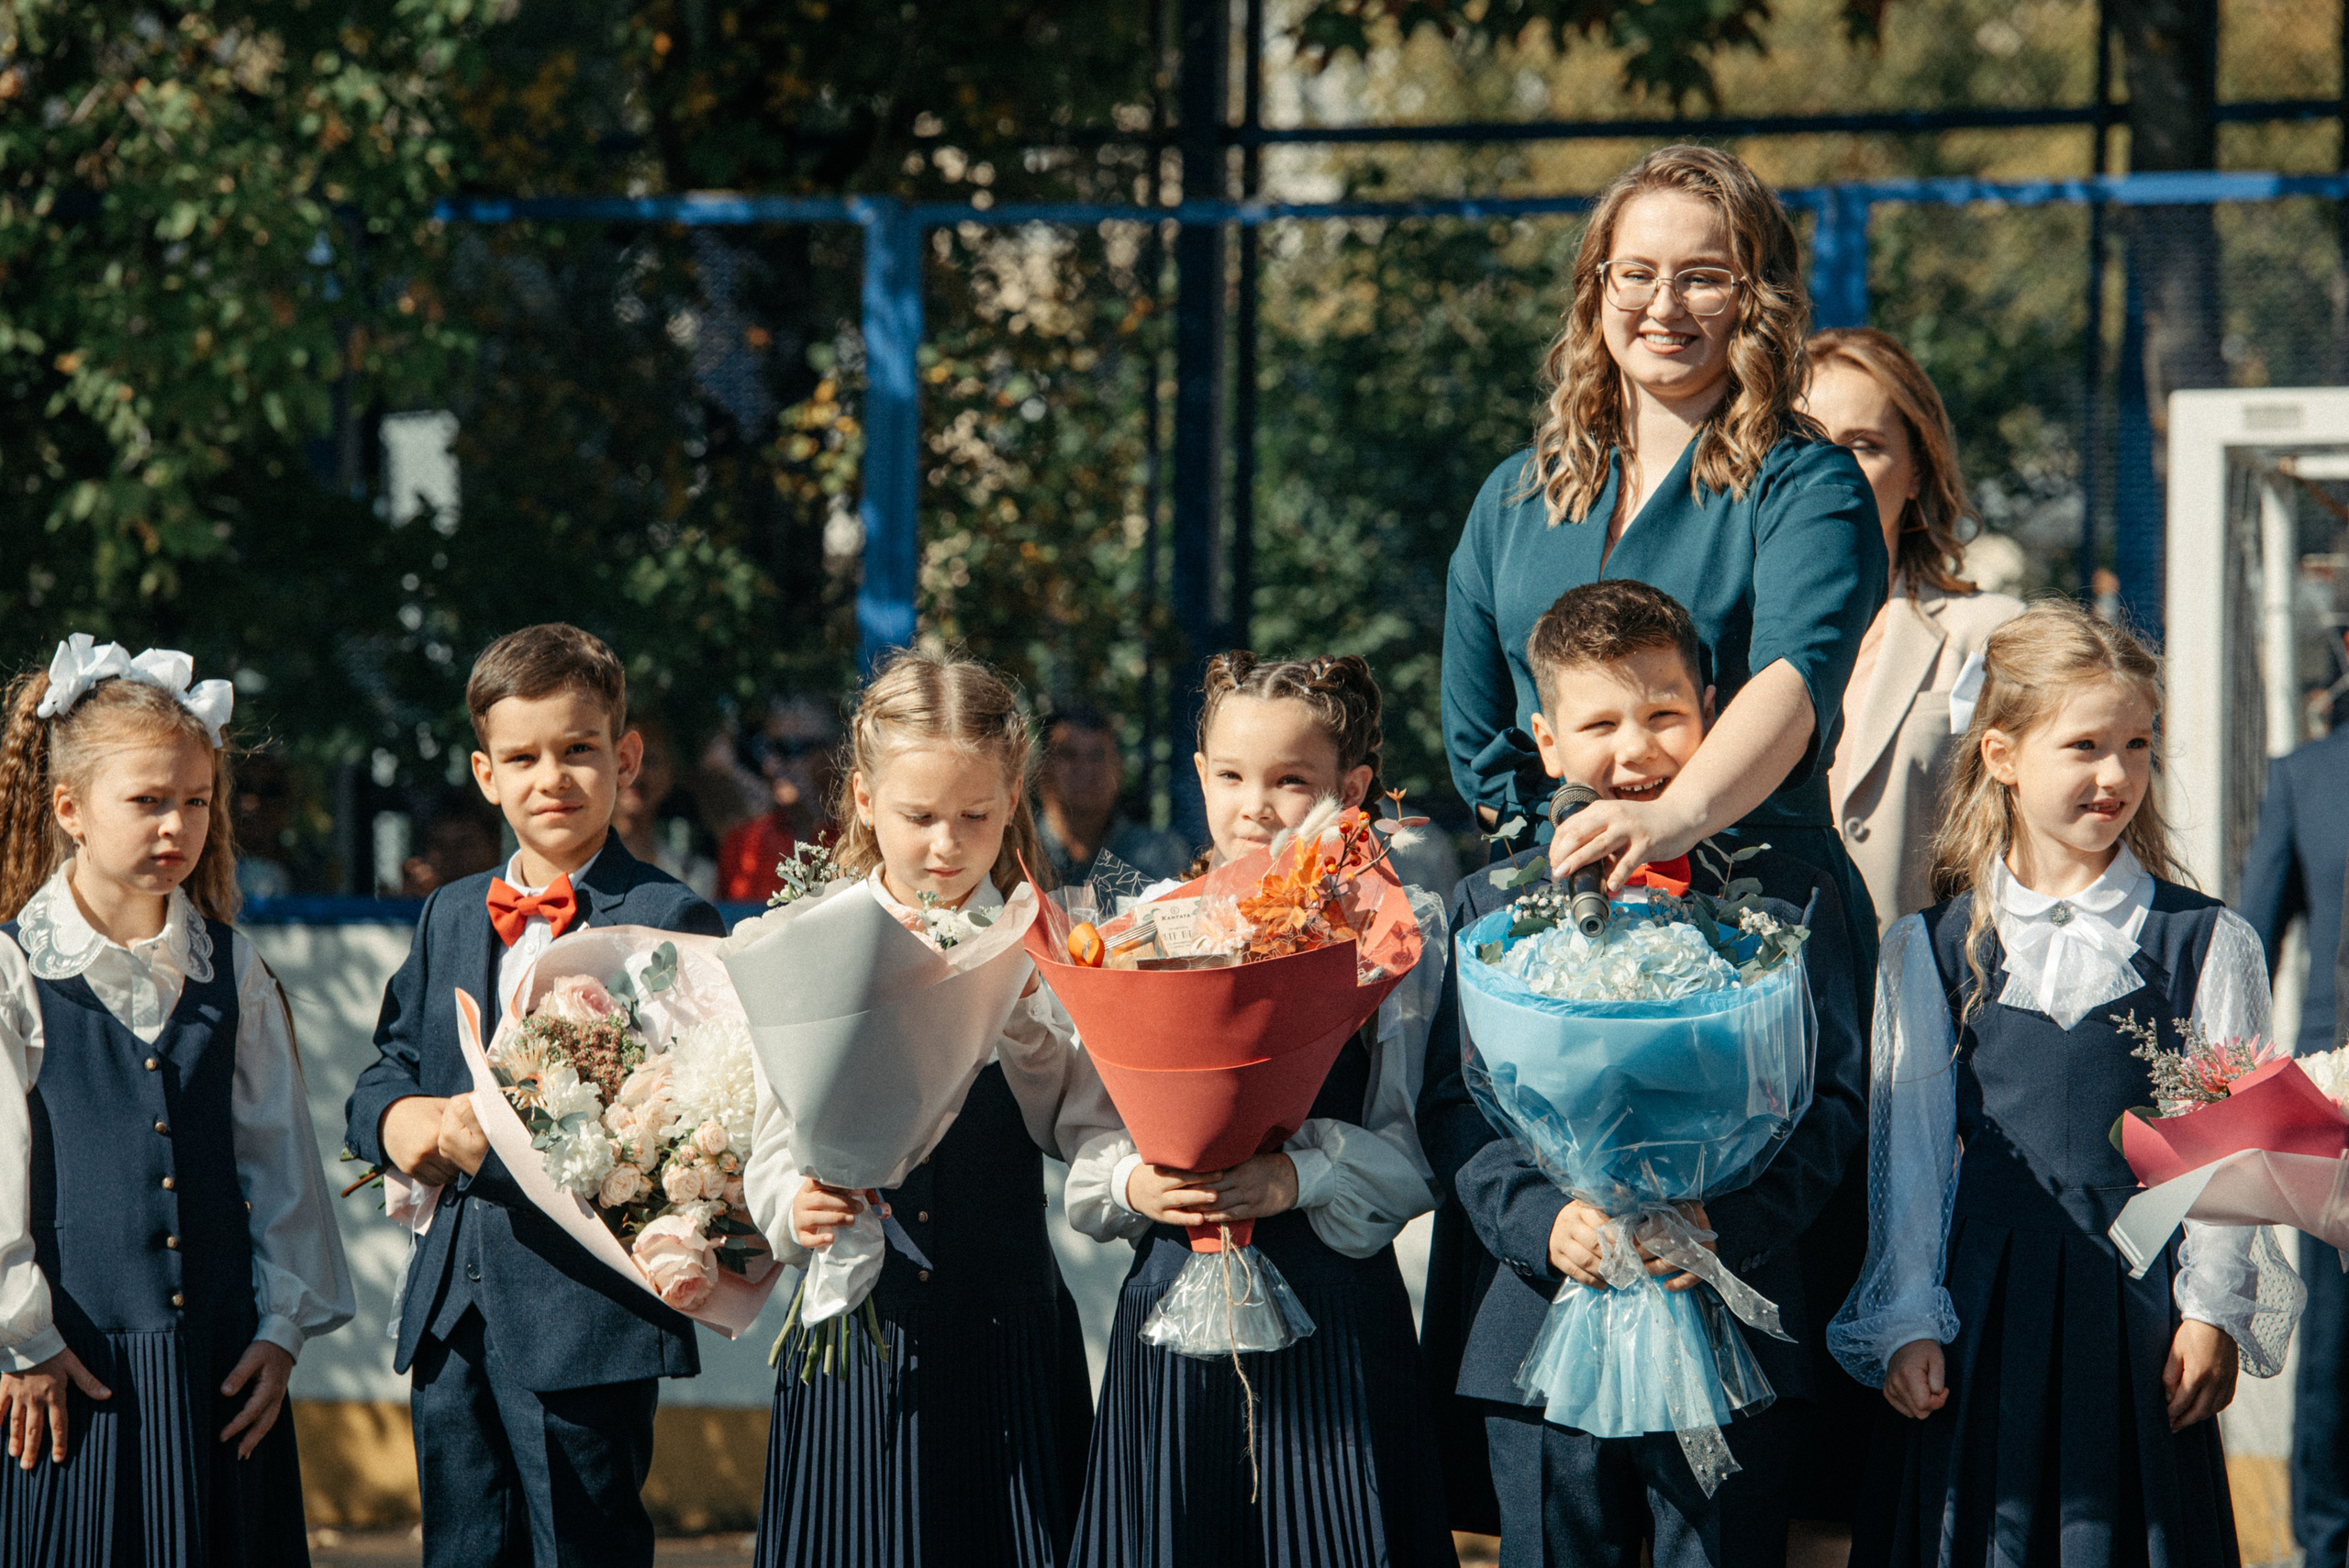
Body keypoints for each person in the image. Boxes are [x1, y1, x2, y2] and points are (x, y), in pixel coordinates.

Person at [1418, 583, 1865, 1568]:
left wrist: (1724, 1224)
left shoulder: (1791, 901)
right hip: (1539, 1333)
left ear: (1712, 711)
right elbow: (1454, 1103)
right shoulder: (1487, 904)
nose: (1636, 747)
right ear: (1545, 739)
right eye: (1599, 721)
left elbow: (1832, 1103)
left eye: (1665, 713)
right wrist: (1542, 1218)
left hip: (1732, 1325)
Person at [1828, 600, 2279, 1568]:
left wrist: (2209, 1311)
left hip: (2135, 1310)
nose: (2115, 774)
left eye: (2137, 744)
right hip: (1979, 1308)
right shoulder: (1928, 944)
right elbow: (1908, 1150)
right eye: (2083, 745)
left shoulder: (2208, 942)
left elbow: (2228, 1151)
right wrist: (1908, 1314)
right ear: (2000, 753)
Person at [1441, 143, 1887, 1000]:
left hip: (1761, 933)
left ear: (1755, 300)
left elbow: (1796, 684)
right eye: (1636, 274)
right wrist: (1574, 855)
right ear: (1597, 288)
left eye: (1704, 277)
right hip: (1559, 937)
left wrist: (1668, 821)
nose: (1664, 306)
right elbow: (1484, 741)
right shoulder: (1512, 497)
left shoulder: (1807, 487)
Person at [342, 623, 726, 1568]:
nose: (550, 776)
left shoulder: (670, 920)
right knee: (464, 1547)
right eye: (522, 756)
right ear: (484, 773)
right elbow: (388, 1066)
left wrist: (520, 1140)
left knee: (581, 1548)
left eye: (578, 749)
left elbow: (686, 1128)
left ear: (625, 756)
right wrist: (407, 1121)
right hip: (450, 1318)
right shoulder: (447, 909)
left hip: (587, 1317)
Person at [1063, 653, 1457, 1568]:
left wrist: (1297, 1174)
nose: (1256, 804)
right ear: (1199, 774)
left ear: (1352, 789)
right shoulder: (1137, 922)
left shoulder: (1391, 931)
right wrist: (1135, 1178)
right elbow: (1089, 1148)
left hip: (1329, 1309)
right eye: (1232, 775)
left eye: (1293, 781)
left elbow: (1416, 1151)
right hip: (1168, 1303)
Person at [743, 651, 1113, 1568]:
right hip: (858, 1337)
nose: (946, 844)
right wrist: (793, 1205)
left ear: (1011, 797)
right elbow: (769, 1141)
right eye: (918, 816)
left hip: (1003, 1327)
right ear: (864, 798)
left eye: (974, 816)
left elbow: (1073, 1120)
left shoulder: (1044, 937)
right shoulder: (808, 940)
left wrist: (1028, 1015)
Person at [0, 636, 354, 1562]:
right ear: (71, 808)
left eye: (195, 800)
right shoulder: (14, 971)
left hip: (218, 1373)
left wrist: (280, 1330)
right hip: (72, 1369)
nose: (176, 825)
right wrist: (21, 1337)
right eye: (148, 800)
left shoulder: (231, 966)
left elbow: (281, 1162)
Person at [1804, 328, 2025, 938]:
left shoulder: (1990, 634)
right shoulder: (1714, 639)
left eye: (1864, 445)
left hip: (1935, 1008)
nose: (1832, 469)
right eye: (1807, 442)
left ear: (1916, 473)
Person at [2238, 679, 2349, 1563]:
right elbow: (2250, 949)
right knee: (2338, 1351)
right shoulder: (2306, 775)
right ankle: (2324, 1545)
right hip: (2339, 1104)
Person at [1035, 703, 1187, 885]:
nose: (1085, 769)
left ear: (1119, 768)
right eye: (1069, 755)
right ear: (1041, 770)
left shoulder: (1161, 855)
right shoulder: (1013, 854)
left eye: (1097, 756)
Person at [718, 697, 840, 904]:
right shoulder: (741, 843)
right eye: (769, 748)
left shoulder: (861, 840)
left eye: (791, 748)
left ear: (835, 753)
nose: (772, 766)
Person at [613, 712, 718, 900]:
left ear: (671, 776)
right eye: (625, 759)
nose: (638, 773)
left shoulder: (694, 876)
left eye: (650, 761)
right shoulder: (572, 863)